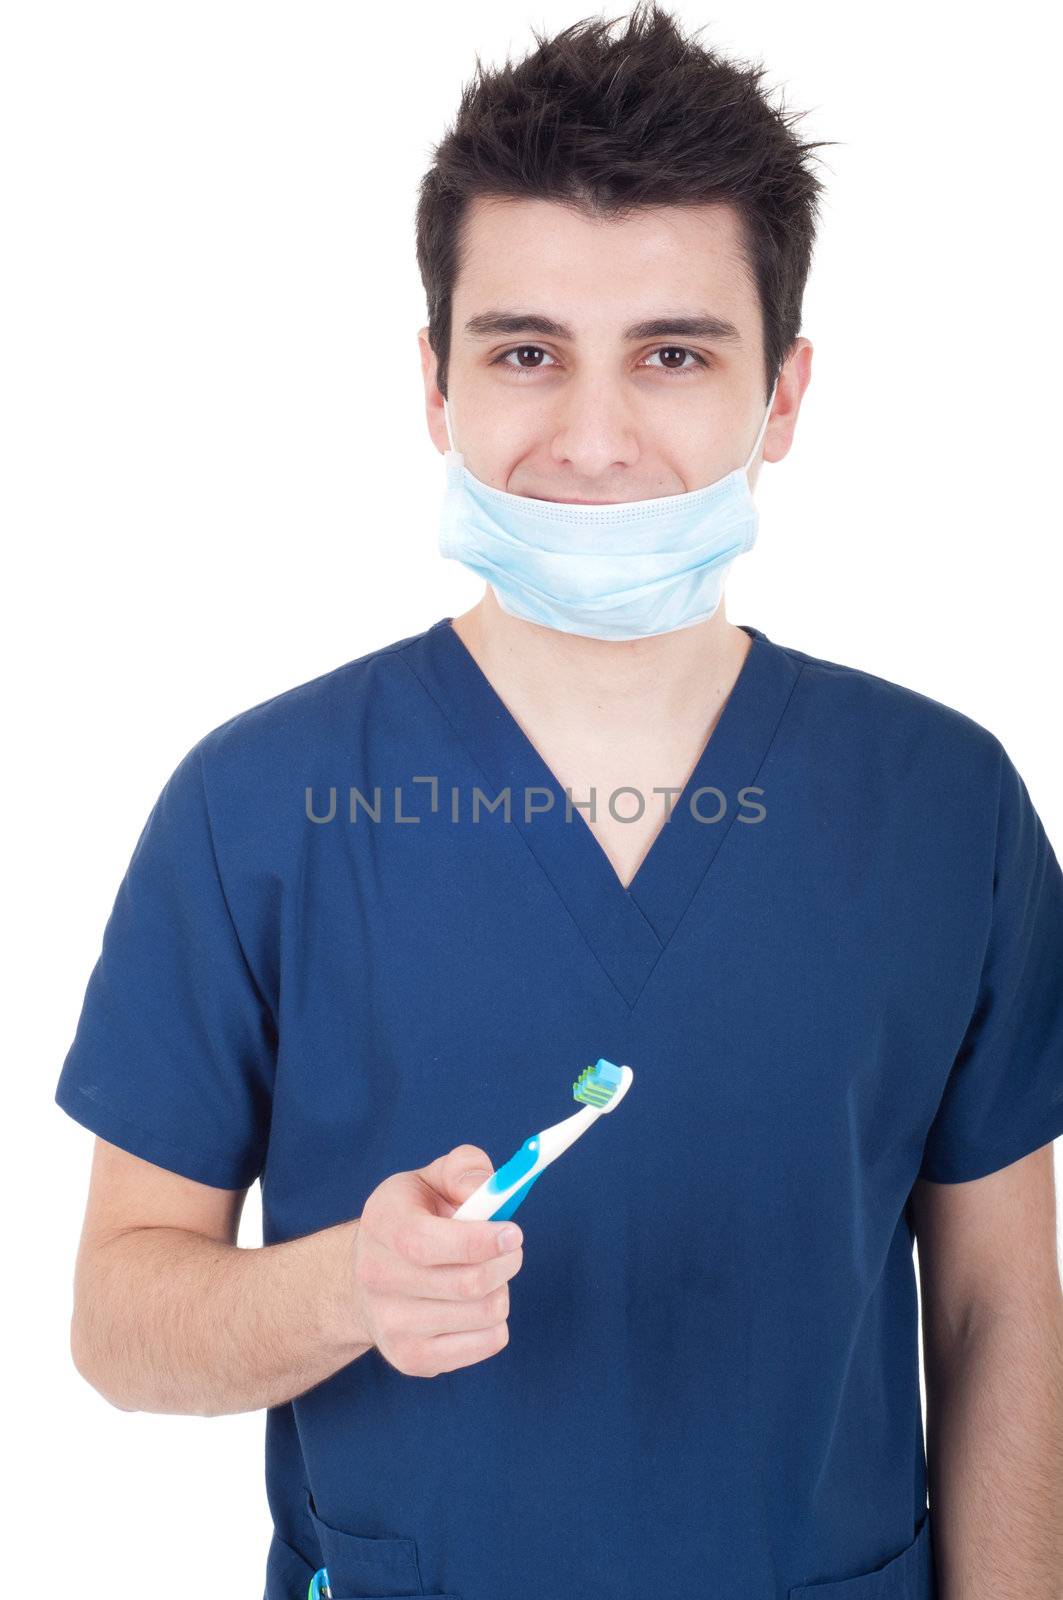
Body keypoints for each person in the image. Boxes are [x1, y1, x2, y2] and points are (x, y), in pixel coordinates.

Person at [56, 6, 1063, 1597]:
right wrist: (347, 1291)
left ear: (784, 396)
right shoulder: (260, 806)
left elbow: (1000, 1310)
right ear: (436, 384)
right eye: (526, 352)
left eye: (673, 354)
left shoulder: (947, 809)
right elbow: (118, 1326)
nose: (592, 443)